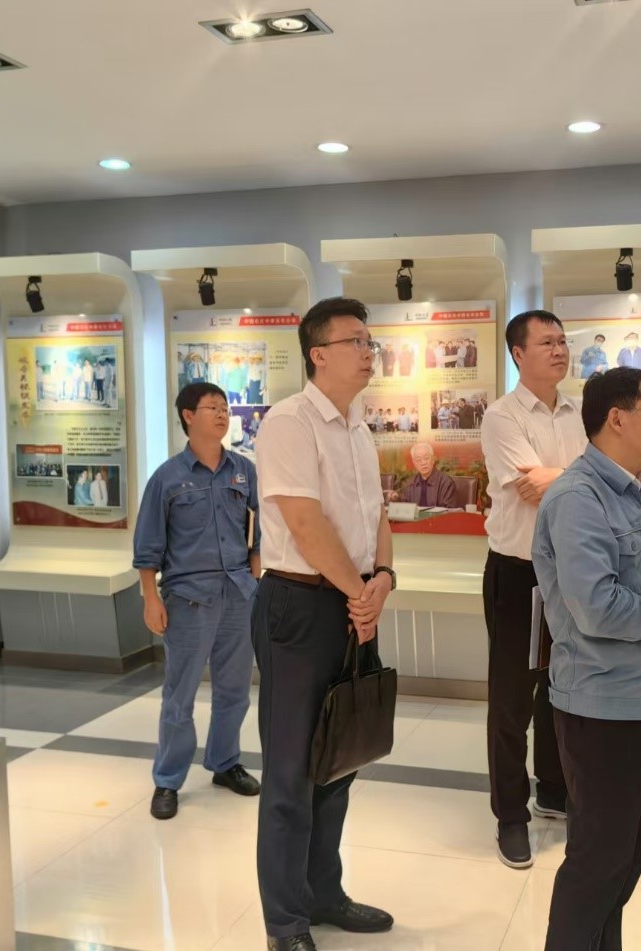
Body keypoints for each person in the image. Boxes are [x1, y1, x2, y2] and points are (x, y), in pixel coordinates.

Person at [253, 297, 396, 950]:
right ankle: (286, 923)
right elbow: (305, 526)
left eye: (370, 341)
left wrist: (382, 579)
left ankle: (323, 893)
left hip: (352, 598)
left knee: (339, 757)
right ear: (318, 354)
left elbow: (377, 517)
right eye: (355, 341)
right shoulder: (289, 423)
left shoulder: (359, 427)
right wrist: (360, 592)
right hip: (300, 603)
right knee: (290, 774)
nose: (369, 351)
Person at [534, 367, 641, 951]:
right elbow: (596, 608)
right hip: (601, 706)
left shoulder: (637, 492)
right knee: (598, 863)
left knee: (623, 860)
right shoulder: (579, 498)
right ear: (617, 418)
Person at [480, 309, 588, 869]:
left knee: (560, 684)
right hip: (518, 572)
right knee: (511, 698)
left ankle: (552, 788)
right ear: (518, 354)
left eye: (563, 340)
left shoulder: (582, 412)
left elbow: (600, 479)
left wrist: (561, 478)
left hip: (571, 571)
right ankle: (510, 815)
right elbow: (532, 488)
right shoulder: (502, 416)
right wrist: (578, 480)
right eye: (547, 342)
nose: (560, 349)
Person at [132, 382, 262, 821]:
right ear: (188, 416)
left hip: (238, 595)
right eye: (212, 407)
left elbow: (258, 532)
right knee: (179, 696)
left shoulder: (244, 471)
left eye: (225, 407)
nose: (223, 414)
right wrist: (150, 599)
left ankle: (225, 763)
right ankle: (168, 780)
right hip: (188, 599)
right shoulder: (167, 478)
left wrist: (255, 581)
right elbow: (148, 546)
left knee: (235, 692)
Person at [392, 442, 459, 508]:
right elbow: (404, 507)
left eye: (426, 458)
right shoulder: (410, 483)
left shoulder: (446, 483)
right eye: (418, 460)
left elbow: (450, 510)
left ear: (433, 459)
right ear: (414, 463)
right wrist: (396, 499)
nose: (423, 463)